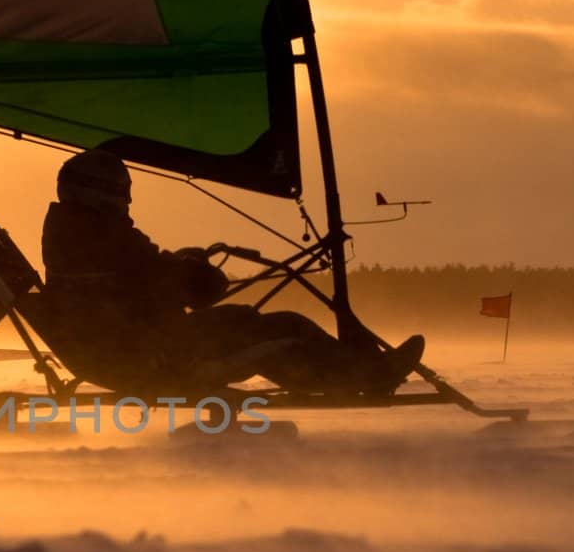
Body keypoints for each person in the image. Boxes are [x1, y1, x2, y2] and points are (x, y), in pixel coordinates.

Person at [39, 149, 424, 396]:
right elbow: (187, 287)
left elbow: (135, 277)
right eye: (122, 192)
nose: (126, 202)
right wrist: (194, 273)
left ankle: (354, 371)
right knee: (285, 329)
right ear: (102, 193)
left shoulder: (73, 233)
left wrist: (177, 264)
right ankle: (364, 377)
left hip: (135, 347)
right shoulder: (103, 235)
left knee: (251, 324)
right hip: (156, 357)